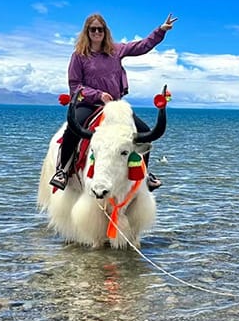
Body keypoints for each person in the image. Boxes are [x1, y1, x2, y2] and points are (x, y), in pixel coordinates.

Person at [50, 12, 178, 191]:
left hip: (116, 107)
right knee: (73, 128)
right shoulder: (79, 56)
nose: (96, 32)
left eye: (100, 29)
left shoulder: (115, 50)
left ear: (105, 31)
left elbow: (141, 46)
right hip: (89, 104)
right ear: (87, 32)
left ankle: (144, 175)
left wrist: (161, 30)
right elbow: (75, 85)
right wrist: (98, 95)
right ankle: (62, 171)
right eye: (93, 29)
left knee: (145, 132)